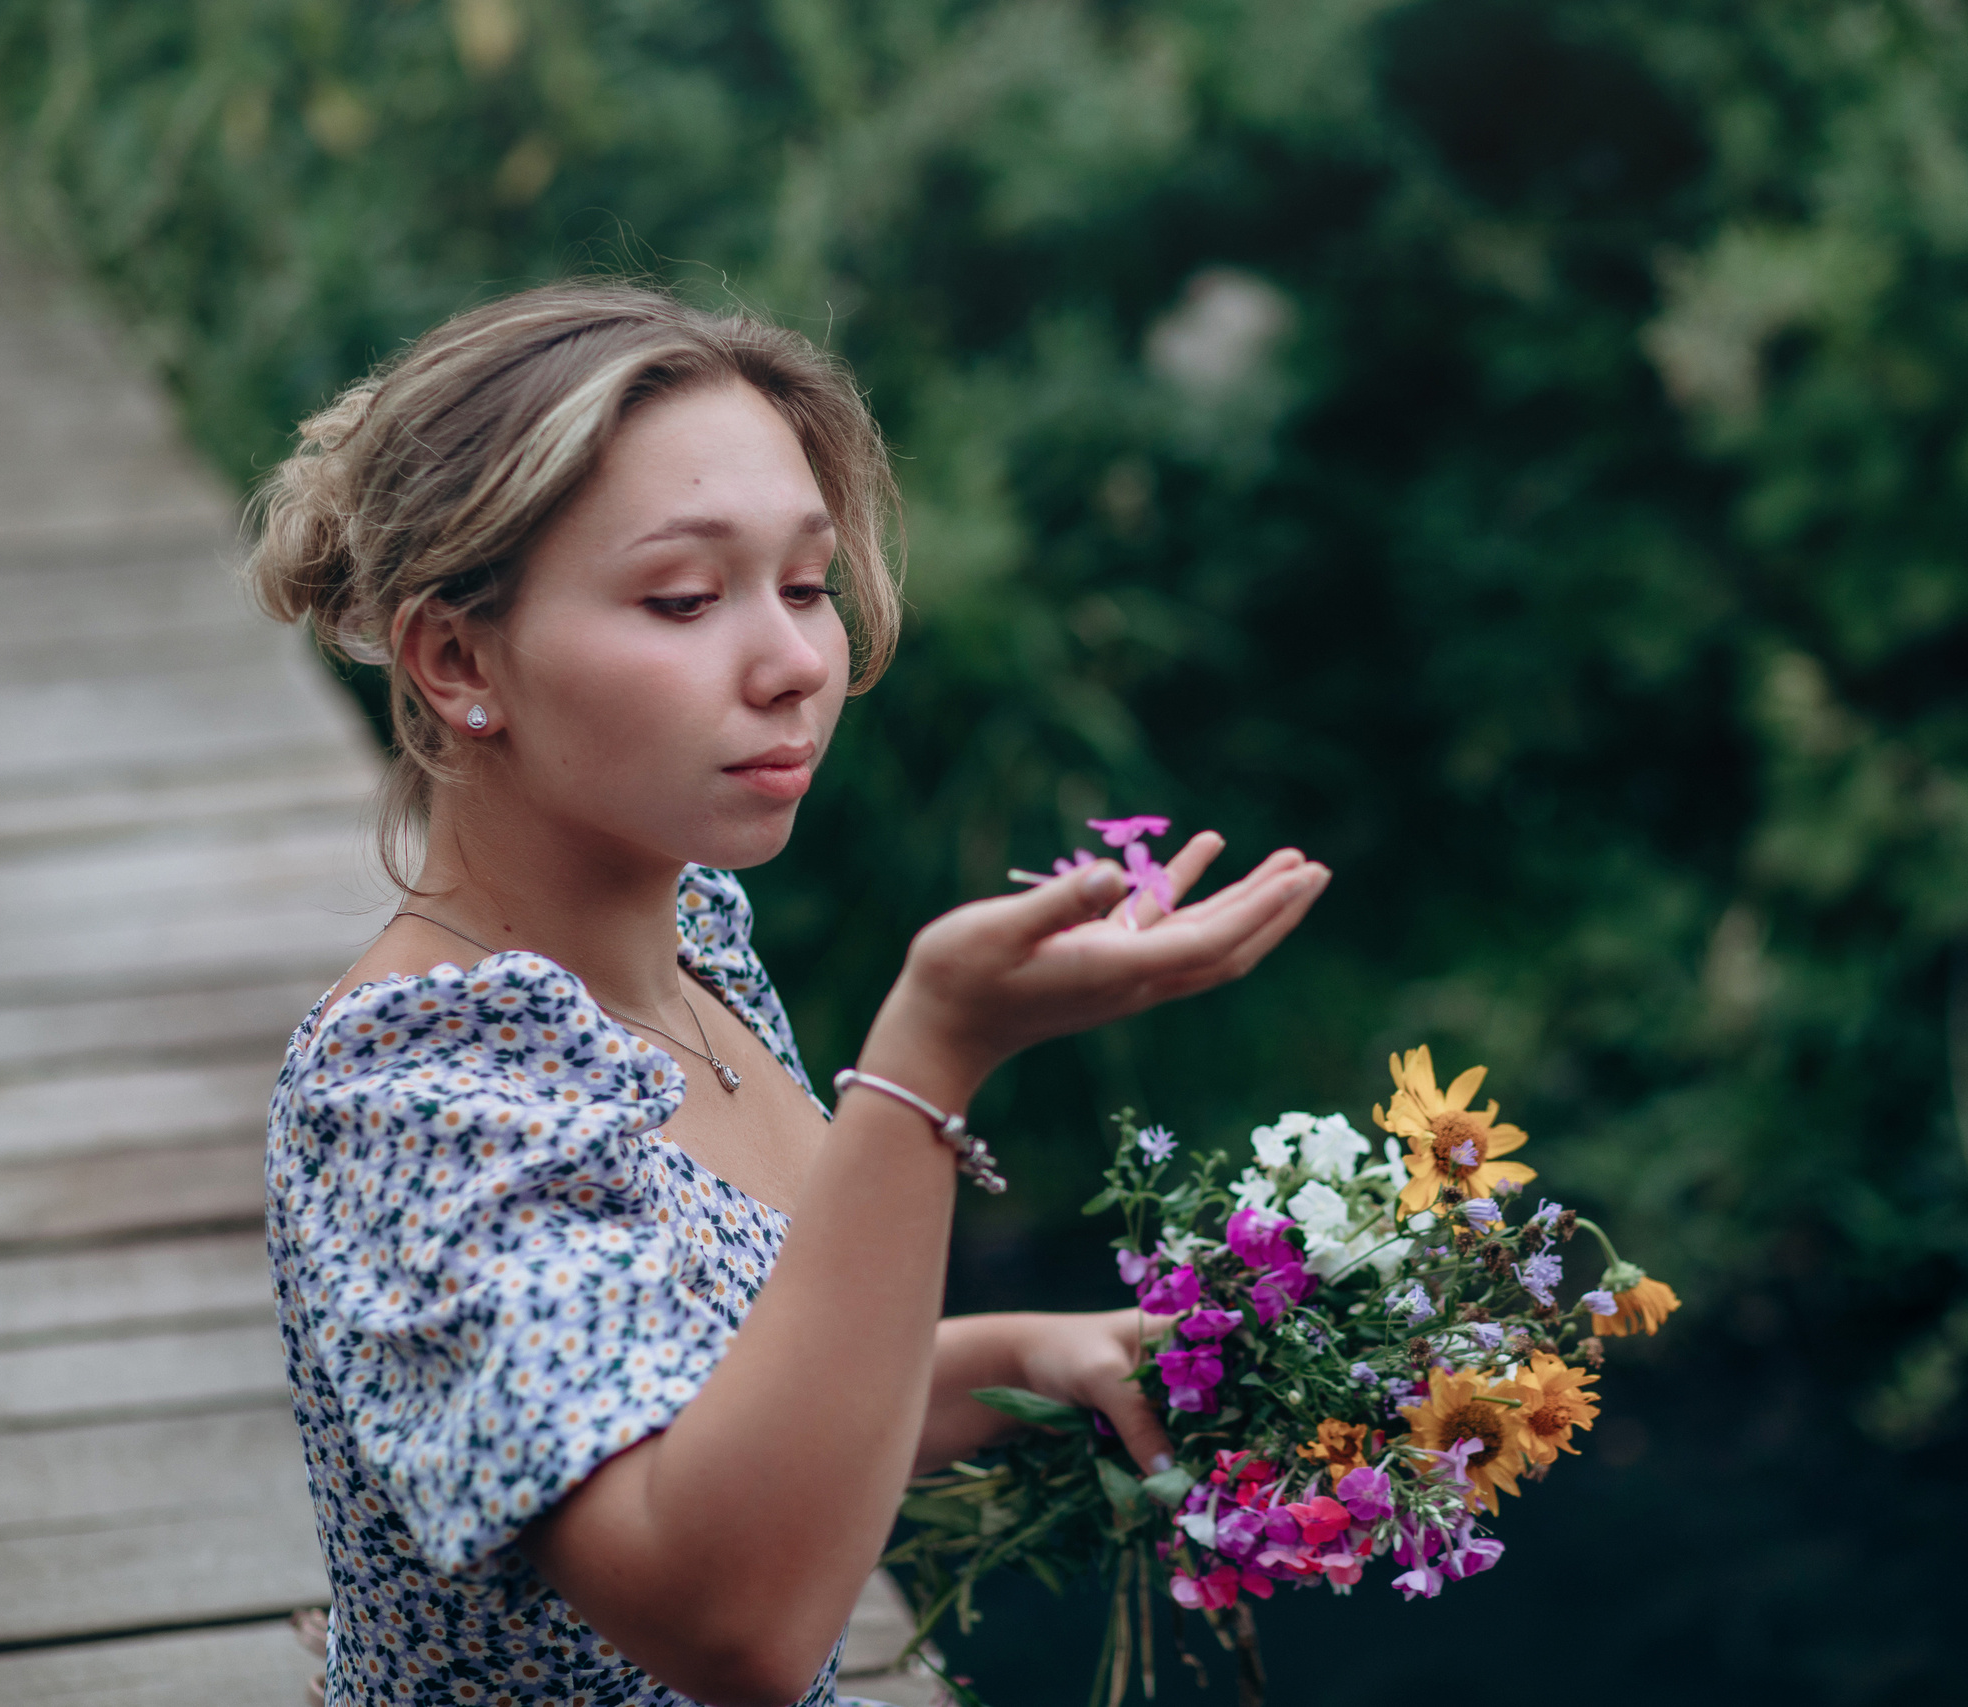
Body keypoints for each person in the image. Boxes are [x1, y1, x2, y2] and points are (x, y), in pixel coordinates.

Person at [247, 282, 1330, 1707]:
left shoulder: (695, 930)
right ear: (457, 659)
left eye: (807, 585)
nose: (796, 664)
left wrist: (1024, 1357)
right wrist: (931, 1057)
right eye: (685, 598)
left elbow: (714, 1392)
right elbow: (729, 1625)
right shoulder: (420, 1084)